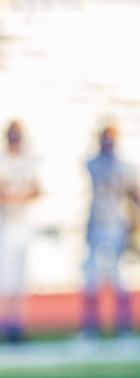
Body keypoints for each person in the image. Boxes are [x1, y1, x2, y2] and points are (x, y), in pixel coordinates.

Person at [0, 120, 40, 343]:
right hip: (7, 224)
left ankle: (16, 326)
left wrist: (17, 193)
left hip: (24, 224)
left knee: (21, 279)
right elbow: (3, 194)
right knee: (1, 277)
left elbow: (38, 190)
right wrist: (21, 193)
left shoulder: (28, 161)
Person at [82, 124, 139, 338]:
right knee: (91, 278)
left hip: (117, 225)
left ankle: (124, 328)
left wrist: (134, 223)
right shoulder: (93, 164)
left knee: (120, 278)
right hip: (98, 224)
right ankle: (91, 328)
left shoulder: (124, 167)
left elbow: (135, 194)